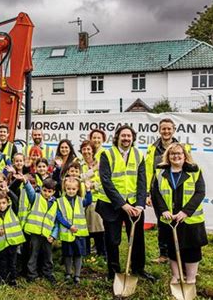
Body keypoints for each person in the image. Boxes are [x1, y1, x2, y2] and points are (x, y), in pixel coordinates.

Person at [97, 125, 155, 282]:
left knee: (137, 238)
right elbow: (106, 182)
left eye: (129, 136)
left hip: (135, 205)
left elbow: (142, 181)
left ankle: (138, 269)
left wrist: (140, 205)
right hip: (111, 204)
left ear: (133, 138)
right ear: (117, 137)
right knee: (112, 239)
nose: (126, 139)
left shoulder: (138, 154)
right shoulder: (107, 154)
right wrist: (123, 204)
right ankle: (113, 272)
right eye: (123, 135)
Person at [151, 143, 207, 285]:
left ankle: (191, 278)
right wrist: (163, 210)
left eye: (179, 153)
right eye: (172, 154)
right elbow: (156, 193)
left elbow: (200, 192)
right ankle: (176, 276)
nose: (176, 156)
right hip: (169, 218)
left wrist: (185, 212)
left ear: (184, 156)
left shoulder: (194, 170)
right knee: (172, 248)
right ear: (168, 157)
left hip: (190, 219)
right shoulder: (160, 172)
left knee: (192, 249)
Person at [146, 118, 192, 264]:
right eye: (163, 129)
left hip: (178, 190)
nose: (166, 131)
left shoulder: (183, 148)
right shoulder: (152, 148)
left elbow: (189, 169)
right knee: (162, 224)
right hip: (159, 191)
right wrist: (148, 193)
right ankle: (164, 254)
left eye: (168, 128)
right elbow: (148, 171)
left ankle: (180, 255)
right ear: (159, 130)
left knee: (180, 224)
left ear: (174, 130)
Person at [56, 177, 92, 284]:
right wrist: (69, 226)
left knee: (78, 254)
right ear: (65, 189)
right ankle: (68, 273)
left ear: (77, 189)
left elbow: (89, 201)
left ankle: (77, 274)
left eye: (73, 189)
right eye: (68, 189)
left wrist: (88, 190)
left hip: (79, 234)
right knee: (67, 254)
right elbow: (59, 217)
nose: (71, 191)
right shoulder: (60, 201)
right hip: (67, 233)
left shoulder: (81, 201)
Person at [22, 177, 59, 283]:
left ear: (54, 192)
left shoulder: (56, 204)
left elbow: (56, 222)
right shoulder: (36, 198)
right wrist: (26, 182)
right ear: (41, 189)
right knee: (33, 254)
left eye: (49, 191)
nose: (46, 193)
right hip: (35, 232)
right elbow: (30, 192)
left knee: (48, 255)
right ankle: (32, 274)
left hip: (47, 235)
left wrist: (54, 235)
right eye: (44, 190)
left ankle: (48, 273)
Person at [0, 192, 26, 285]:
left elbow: (16, 200)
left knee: (13, 262)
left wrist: (8, 191)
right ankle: (2, 279)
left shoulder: (13, 210)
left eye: (4, 203)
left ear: (8, 203)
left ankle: (13, 279)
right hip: (2, 243)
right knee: (2, 262)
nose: (1, 205)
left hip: (13, 241)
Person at [80, 139, 106, 258]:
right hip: (83, 200)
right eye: (84, 149)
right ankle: (86, 253)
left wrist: (93, 185)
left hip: (97, 199)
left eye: (88, 149)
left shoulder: (101, 163)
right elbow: (78, 178)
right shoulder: (79, 164)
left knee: (98, 228)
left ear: (93, 150)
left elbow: (104, 181)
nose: (86, 152)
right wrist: (92, 171)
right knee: (85, 228)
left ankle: (102, 252)